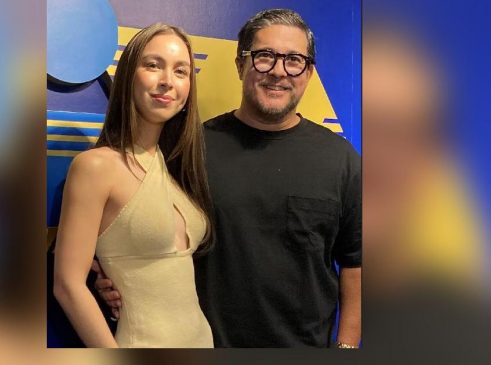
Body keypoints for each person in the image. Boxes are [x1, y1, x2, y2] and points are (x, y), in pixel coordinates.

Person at [96, 9, 362, 348]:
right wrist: (111, 273)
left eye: (294, 60)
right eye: (264, 56)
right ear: (240, 64)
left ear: (308, 73)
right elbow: (137, 229)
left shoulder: (341, 160)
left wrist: (347, 347)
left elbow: (356, 264)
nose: (278, 71)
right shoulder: (188, 151)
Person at [52, 23, 215, 348]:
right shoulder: (96, 167)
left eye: (181, 71)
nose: (168, 80)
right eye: (153, 65)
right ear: (129, 75)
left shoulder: (173, 169)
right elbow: (67, 285)